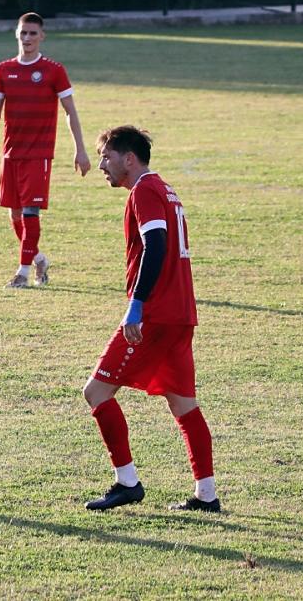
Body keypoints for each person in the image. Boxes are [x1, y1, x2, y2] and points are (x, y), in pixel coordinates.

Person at [82, 125, 219, 512]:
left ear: (129, 158)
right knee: (184, 405)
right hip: (180, 314)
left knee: (95, 392)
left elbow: (156, 246)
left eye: (107, 158)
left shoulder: (144, 189)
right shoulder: (165, 189)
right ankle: (206, 496)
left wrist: (137, 304)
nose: (102, 167)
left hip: (156, 314)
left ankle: (127, 482)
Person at [0, 12, 90, 288]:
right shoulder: (3, 70)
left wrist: (79, 149)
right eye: (23, 33)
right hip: (10, 154)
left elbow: (70, 110)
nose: (27, 38)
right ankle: (38, 260)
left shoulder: (53, 70)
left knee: (30, 213)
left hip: (38, 155)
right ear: (16, 34)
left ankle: (22, 273)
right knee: (14, 215)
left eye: (33, 33)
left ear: (42, 37)